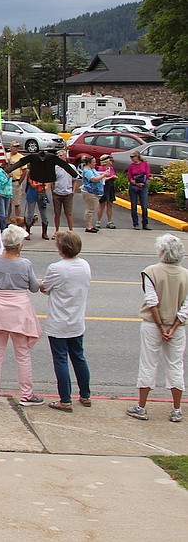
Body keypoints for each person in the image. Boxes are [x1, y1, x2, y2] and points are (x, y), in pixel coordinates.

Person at [0, 224, 44, 406]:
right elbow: (34, 287)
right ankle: (26, 394)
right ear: (19, 245)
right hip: (19, 311)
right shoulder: (25, 264)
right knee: (22, 354)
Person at [127, 233, 188, 423]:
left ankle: (142, 407)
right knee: (175, 364)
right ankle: (176, 409)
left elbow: (152, 302)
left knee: (148, 363)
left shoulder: (151, 271)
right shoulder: (186, 274)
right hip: (177, 327)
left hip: (153, 325)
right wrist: (174, 325)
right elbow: (186, 305)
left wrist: (161, 326)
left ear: (161, 251)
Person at [40, 231, 93, 412]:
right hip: (77, 321)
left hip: (58, 323)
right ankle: (85, 394)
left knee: (60, 359)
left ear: (61, 248)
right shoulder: (85, 265)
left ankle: (65, 399)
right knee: (78, 357)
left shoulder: (56, 268)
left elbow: (45, 288)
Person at [79, 155, 107, 233]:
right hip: (89, 192)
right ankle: (88, 226)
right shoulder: (87, 171)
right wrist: (103, 175)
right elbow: (93, 179)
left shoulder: (92, 169)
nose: (95, 163)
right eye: (93, 162)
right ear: (89, 163)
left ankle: (90, 225)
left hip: (94, 192)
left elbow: (98, 177)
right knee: (90, 209)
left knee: (92, 209)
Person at [51, 149, 76, 232]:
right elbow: (53, 181)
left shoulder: (71, 167)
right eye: (58, 156)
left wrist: (73, 191)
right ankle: (57, 231)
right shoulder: (55, 168)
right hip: (57, 193)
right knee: (57, 214)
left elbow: (74, 179)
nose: (59, 157)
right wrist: (53, 192)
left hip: (68, 193)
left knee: (68, 213)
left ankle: (71, 231)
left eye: (61, 155)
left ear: (65, 156)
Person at [127, 150, 151, 230]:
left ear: (137, 156)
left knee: (144, 206)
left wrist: (142, 182)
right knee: (134, 206)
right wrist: (133, 182)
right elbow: (129, 176)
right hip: (134, 187)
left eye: (133, 157)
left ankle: (145, 223)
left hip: (143, 186)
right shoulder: (131, 166)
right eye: (131, 157)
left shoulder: (145, 164)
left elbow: (147, 174)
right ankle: (135, 223)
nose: (132, 158)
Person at [7, 141, 27, 219]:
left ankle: (18, 220)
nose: (16, 148)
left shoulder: (21, 157)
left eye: (17, 147)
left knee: (16, 203)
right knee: (8, 203)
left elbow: (24, 171)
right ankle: (7, 219)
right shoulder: (6, 156)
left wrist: (19, 182)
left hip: (16, 182)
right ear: (10, 147)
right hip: (7, 183)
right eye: (15, 146)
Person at [96, 153, 117, 229]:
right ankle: (98, 221)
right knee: (102, 205)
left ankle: (110, 221)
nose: (111, 162)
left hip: (110, 186)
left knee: (110, 204)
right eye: (110, 160)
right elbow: (101, 178)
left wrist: (113, 177)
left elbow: (111, 176)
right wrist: (111, 177)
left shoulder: (111, 169)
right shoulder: (101, 168)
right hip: (104, 186)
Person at [0, 160, 14, 230]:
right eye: (9, 165)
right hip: (0, 194)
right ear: (4, 165)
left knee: (6, 212)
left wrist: (11, 193)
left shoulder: (8, 173)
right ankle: (2, 228)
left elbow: (9, 185)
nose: (10, 166)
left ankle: (2, 226)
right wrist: (8, 177)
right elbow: (2, 184)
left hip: (7, 194)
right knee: (2, 212)